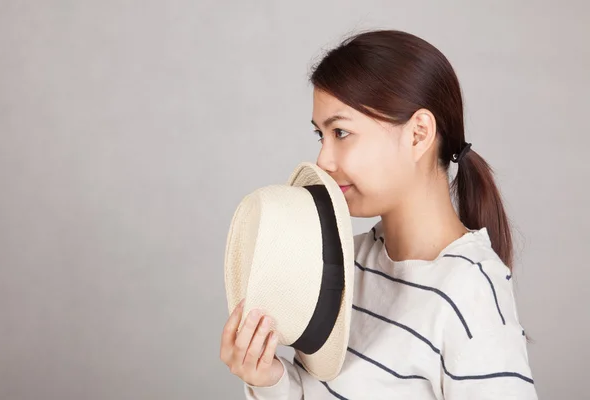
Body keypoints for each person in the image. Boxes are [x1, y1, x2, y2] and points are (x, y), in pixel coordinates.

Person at [219, 29, 538, 399]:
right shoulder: (339, 263)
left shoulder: (470, 292)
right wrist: (270, 379)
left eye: (340, 132)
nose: (323, 159)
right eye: (319, 136)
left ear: (418, 134)